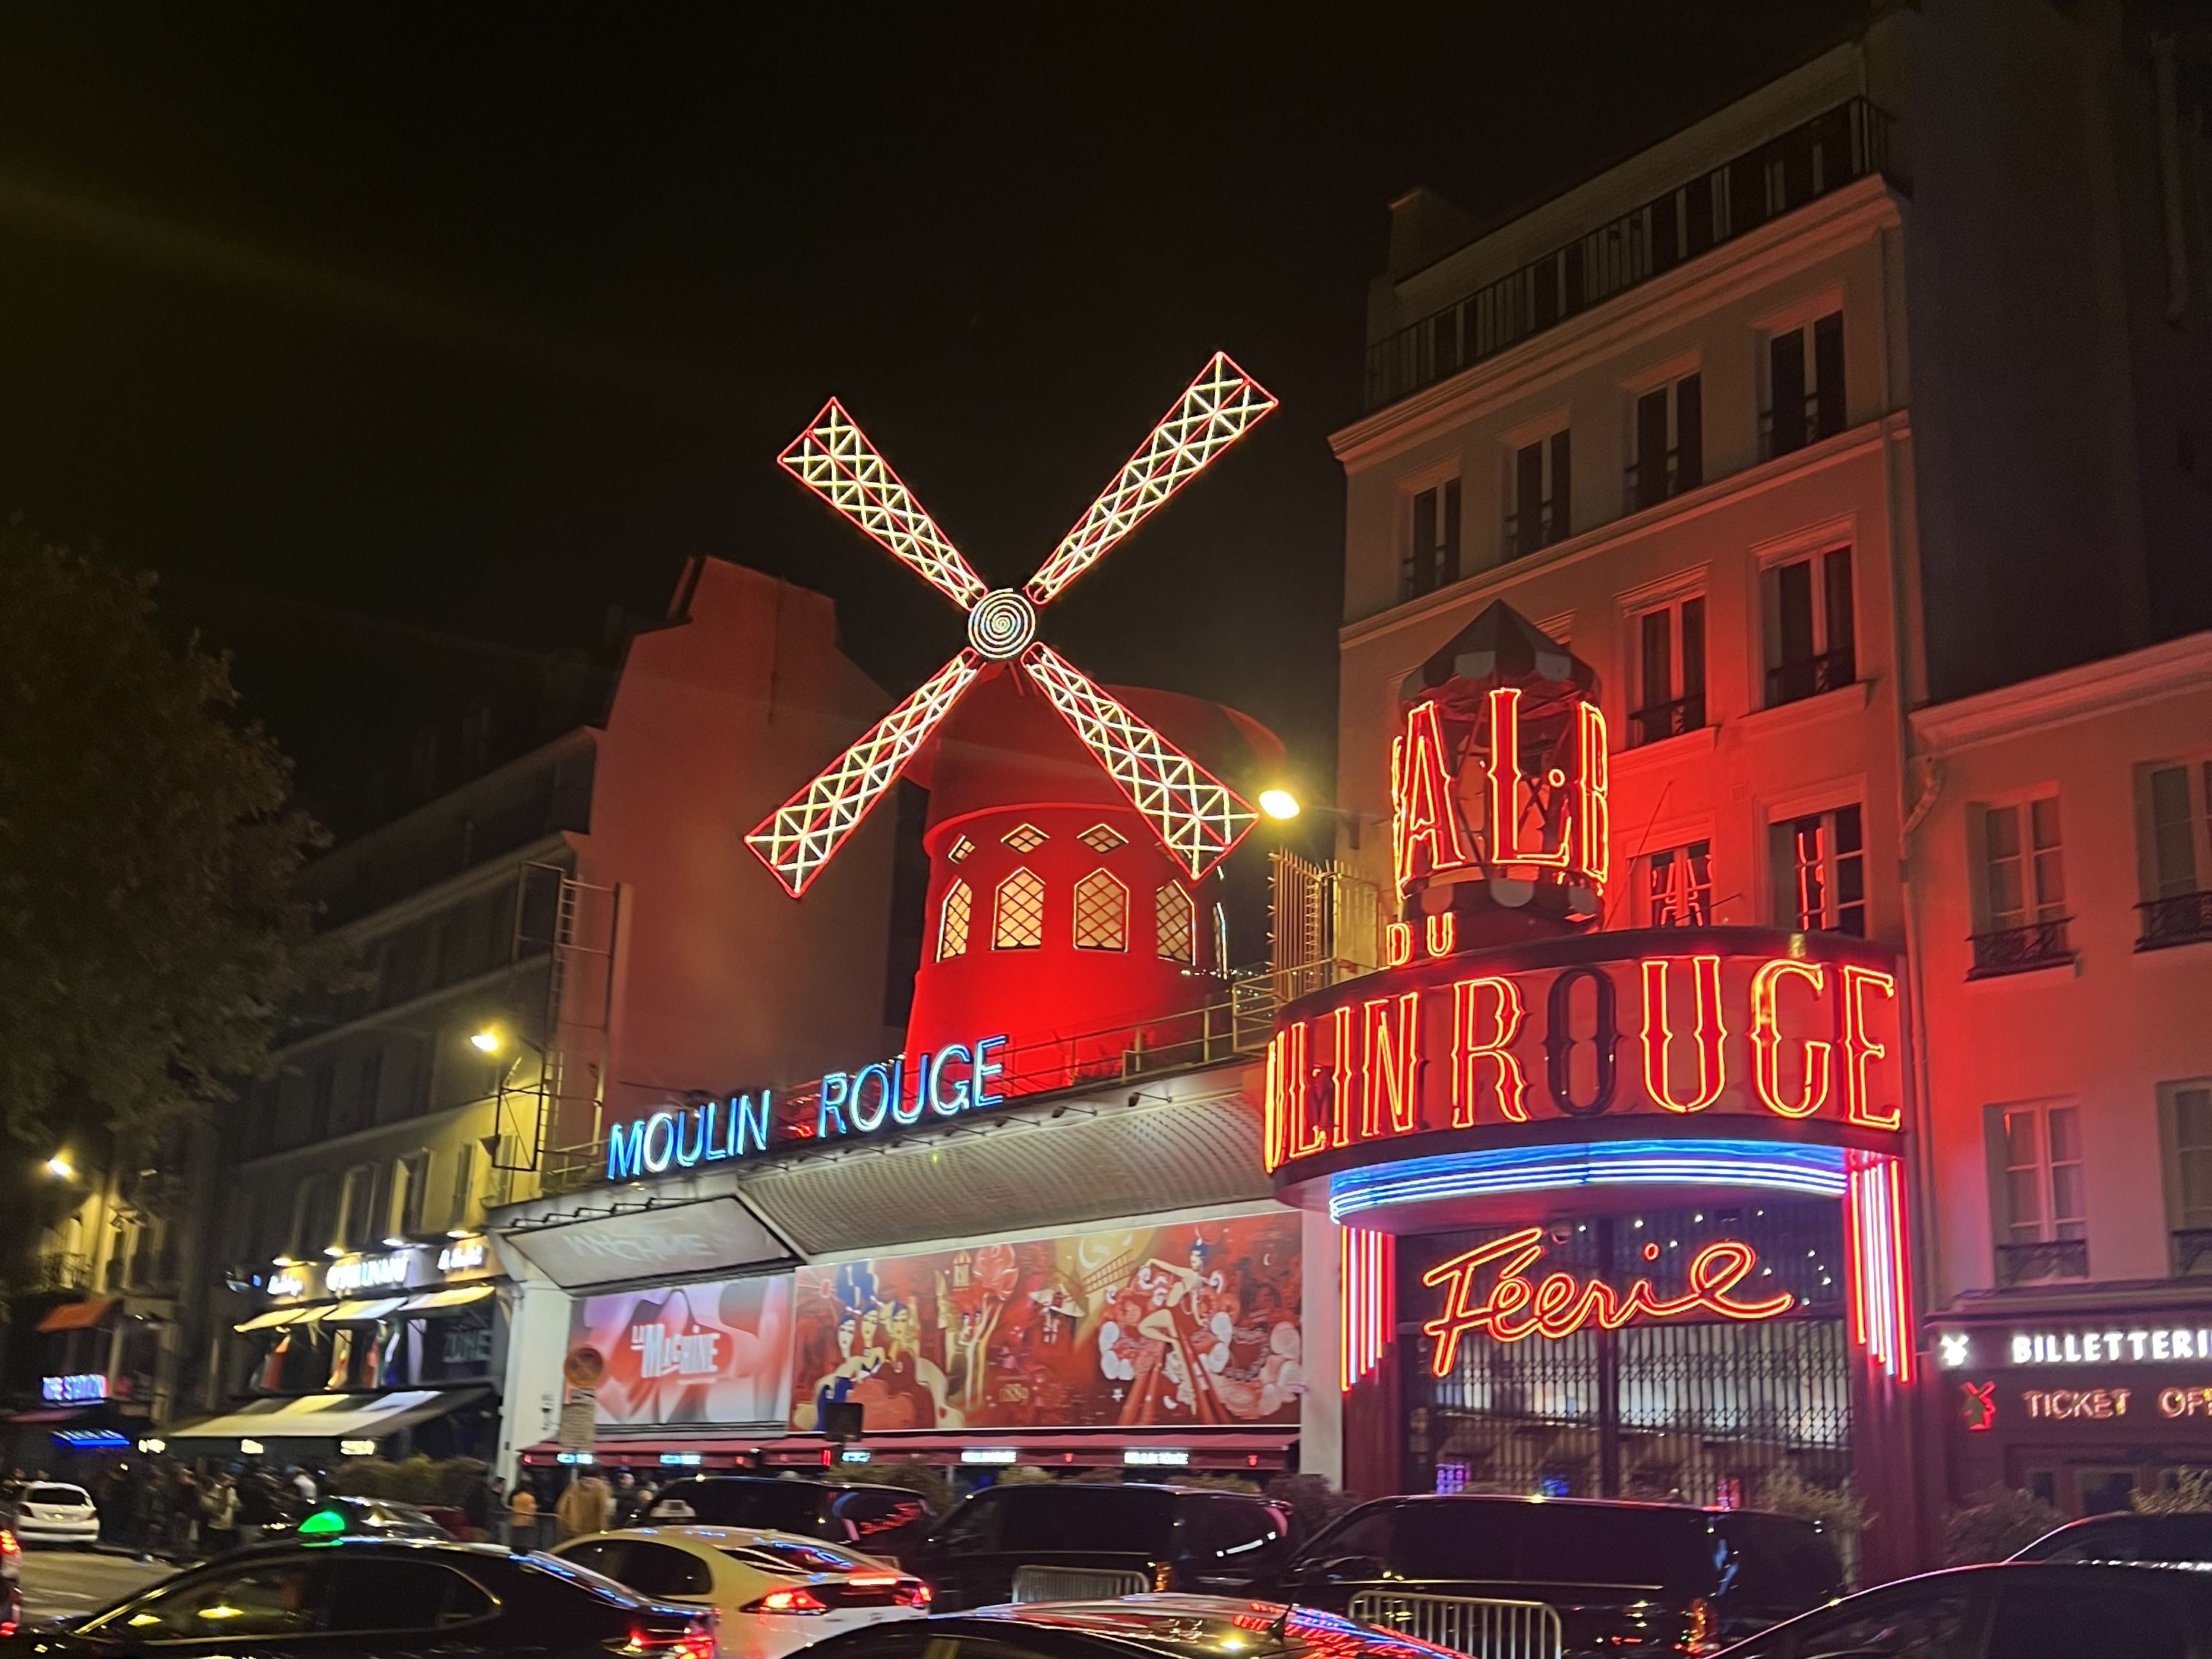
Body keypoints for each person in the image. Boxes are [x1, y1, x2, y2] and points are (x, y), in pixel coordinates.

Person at [554, 1473, 610, 1540]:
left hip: (574, 1532)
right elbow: (604, 1511)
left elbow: (561, 1508)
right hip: (593, 1533)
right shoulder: (601, 1488)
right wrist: (604, 1530)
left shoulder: (573, 1487)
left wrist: (567, 1526)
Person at [200, 1474, 240, 1557]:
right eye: (229, 1480)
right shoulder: (213, 1489)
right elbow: (210, 1505)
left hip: (228, 1527)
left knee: (226, 1553)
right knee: (213, 1552)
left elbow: (236, 1505)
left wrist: (236, 1506)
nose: (231, 1483)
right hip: (214, 1527)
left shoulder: (232, 1491)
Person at [234, 1467, 276, 1546]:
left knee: (247, 1545)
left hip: (248, 1522)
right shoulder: (262, 1489)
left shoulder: (242, 1486)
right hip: (259, 1522)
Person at [510, 1480, 539, 1549]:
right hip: (526, 1521)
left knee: (517, 1540)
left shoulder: (515, 1498)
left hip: (516, 1521)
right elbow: (531, 1509)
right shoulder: (530, 1498)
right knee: (526, 1541)